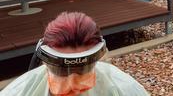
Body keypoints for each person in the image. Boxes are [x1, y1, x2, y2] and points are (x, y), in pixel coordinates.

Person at [1, 12, 149, 96]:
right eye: (62, 70)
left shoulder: (124, 89)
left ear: (99, 60)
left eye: (81, 70)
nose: (72, 84)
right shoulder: (19, 92)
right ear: (45, 61)